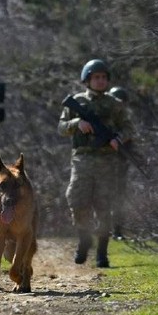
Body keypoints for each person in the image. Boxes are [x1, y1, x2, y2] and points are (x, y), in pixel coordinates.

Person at [58, 59, 134, 268]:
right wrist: (77, 123)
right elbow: (61, 127)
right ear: (87, 80)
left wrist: (118, 139)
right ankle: (84, 238)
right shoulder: (77, 101)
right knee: (76, 200)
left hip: (107, 161)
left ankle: (102, 251)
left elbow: (128, 128)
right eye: (96, 77)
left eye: (103, 77)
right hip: (82, 159)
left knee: (104, 206)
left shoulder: (114, 104)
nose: (100, 81)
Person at [107, 85, 132, 241]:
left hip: (120, 164)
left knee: (119, 198)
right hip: (102, 163)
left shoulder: (125, 122)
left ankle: (117, 230)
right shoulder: (105, 119)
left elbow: (130, 137)